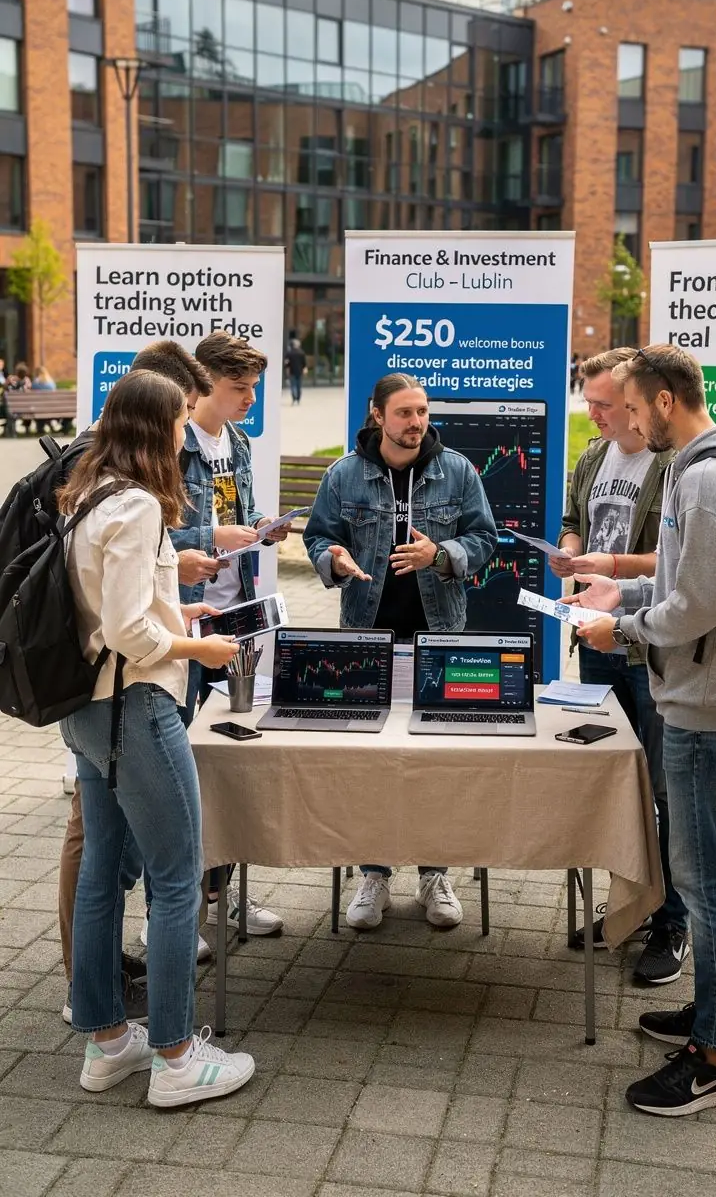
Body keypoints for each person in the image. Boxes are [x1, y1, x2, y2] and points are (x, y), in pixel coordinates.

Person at [571, 345, 716, 1117]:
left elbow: (697, 607)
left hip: (705, 702)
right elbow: (688, 581)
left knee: (708, 883)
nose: (622, 423)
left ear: (663, 402)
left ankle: (715, 1063)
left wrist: (618, 628)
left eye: (628, 409)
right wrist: (623, 585)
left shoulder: (705, 480)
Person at [59, 368, 256, 1105]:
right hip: (135, 708)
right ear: (156, 427)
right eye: (178, 422)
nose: (185, 434)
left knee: (101, 876)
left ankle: (108, 1042)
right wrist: (197, 651)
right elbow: (128, 630)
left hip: (88, 710)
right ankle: (176, 1056)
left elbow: (121, 610)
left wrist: (184, 620)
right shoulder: (138, 505)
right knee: (177, 882)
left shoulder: (87, 494)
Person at [304, 372, 497, 931]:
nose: (417, 423)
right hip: (367, 639)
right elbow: (318, 536)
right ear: (377, 415)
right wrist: (333, 560)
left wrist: (442, 554)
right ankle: (374, 873)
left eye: (422, 411)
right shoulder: (345, 474)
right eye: (406, 413)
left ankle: (435, 872)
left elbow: (485, 540)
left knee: (437, 762)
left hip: (440, 638)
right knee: (370, 765)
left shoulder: (456, 470)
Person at [550, 347, 687, 983]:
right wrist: (571, 552)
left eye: (606, 403)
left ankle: (672, 922)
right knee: (613, 779)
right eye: (592, 401)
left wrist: (609, 567)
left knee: (664, 792)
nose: (595, 413)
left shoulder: (677, 465)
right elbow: (576, 520)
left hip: (648, 646)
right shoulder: (590, 456)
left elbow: (676, 562)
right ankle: (628, 908)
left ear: (638, 403)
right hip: (599, 640)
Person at [173, 331, 289, 940]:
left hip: (235, 618)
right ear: (201, 386)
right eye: (238, 388)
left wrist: (259, 531)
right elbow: (149, 539)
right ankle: (174, 915)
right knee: (186, 770)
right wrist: (207, 540)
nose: (249, 399)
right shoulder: (175, 447)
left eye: (253, 388)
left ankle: (223, 898)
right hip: (185, 626)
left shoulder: (237, 442)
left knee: (233, 761)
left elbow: (232, 522)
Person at [284, 337, 307, 404]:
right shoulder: (301, 353)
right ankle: (298, 399)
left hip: (292, 371)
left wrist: (287, 368)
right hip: (299, 372)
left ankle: (294, 398)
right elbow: (304, 363)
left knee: (293, 386)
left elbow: (286, 363)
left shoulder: (289, 353)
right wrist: (304, 369)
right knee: (299, 386)